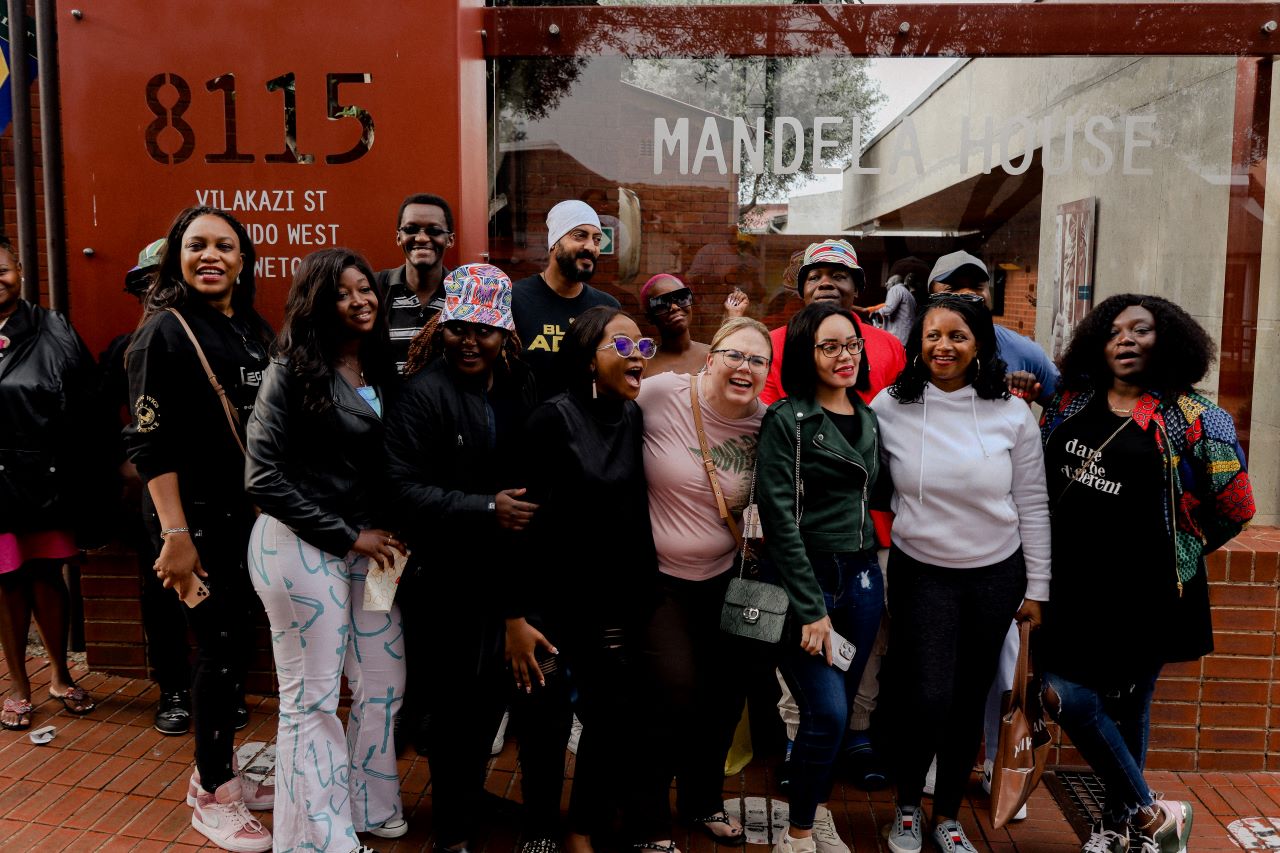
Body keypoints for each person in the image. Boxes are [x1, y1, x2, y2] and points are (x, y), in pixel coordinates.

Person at [1039, 294, 1254, 853]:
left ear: (1170, 340)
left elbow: (1236, 505)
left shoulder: (1197, 418)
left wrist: (1179, 551)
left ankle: (1115, 829)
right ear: (1096, 342)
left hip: (1146, 595)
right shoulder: (1068, 400)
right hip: (1069, 587)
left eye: (1142, 329)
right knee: (1065, 694)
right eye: (1113, 331)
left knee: (1127, 703)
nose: (1126, 340)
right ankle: (1150, 814)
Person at [870, 294, 1049, 853]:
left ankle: (946, 816)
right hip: (921, 572)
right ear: (916, 343)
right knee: (926, 696)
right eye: (932, 335)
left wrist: (1037, 588)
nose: (943, 346)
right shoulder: (889, 407)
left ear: (979, 346)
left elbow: (1033, 504)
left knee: (970, 699)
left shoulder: (1010, 413)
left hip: (995, 574)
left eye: (958, 336)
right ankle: (905, 807)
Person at [244, 247, 407, 852]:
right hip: (300, 545)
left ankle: (369, 802)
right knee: (311, 696)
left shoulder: (380, 365)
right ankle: (318, 838)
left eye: (366, 288)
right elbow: (261, 478)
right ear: (318, 302)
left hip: (370, 550)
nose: (360, 300)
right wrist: (347, 535)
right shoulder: (291, 370)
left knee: (384, 681)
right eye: (343, 292)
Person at [124, 205, 274, 853]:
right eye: (196, 245)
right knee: (216, 652)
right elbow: (148, 444)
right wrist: (174, 534)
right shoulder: (165, 332)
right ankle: (211, 790)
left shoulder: (251, 329)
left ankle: (226, 769)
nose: (210, 255)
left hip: (250, 524)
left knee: (238, 644)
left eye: (224, 245)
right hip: (196, 527)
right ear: (177, 258)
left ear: (243, 259)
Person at [384, 264, 538, 851]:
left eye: (485, 330)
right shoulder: (421, 394)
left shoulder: (516, 383)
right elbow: (398, 488)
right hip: (444, 578)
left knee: (486, 705)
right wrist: (481, 508)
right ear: (441, 328)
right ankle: (452, 831)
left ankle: (467, 798)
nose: (470, 341)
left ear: (505, 335)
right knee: (453, 712)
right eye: (459, 328)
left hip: (505, 568)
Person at [505, 305, 657, 853]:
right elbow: (517, 525)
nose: (636, 354)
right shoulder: (552, 419)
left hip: (610, 604)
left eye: (642, 346)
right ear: (588, 359)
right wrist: (514, 616)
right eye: (621, 345)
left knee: (610, 720)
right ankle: (540, 828)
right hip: (546, 605)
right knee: (543, 729)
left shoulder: (634, 418)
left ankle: (582, 826)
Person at [629, 317, 773, 851]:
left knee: (722, 699)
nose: (746, 369)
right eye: (736, 355)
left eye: (759, 361)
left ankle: (702, 802)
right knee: (674, 692)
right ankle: (647, 820)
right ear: (710, 358)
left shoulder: (767, 425)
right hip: (660, 581)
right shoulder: (663, 393)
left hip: (729, 581)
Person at [925, 249, 1060, 813]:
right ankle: (933, 764)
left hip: (1000, 547)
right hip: (928, 550)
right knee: (935, 669)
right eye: (952, 287)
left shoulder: (1023, 352)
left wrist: (1032, 405)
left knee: (1002, 666)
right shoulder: (918, 347)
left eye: (975, 287)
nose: (966, 296)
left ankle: (1003, 768)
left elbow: (1060, 415)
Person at [757, 303, 886, 853]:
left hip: (861, 581)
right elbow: (778, 517)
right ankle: (800, 834)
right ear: (807, 354)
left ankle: (810, 816)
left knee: (838, 710)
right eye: (829, 346)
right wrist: (811, 607)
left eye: (851, 344)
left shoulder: (871, 416)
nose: (844, 356)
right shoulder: (788, 419)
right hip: (803, 582)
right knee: (828, 713)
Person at [0, 233, 99, 731]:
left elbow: (84, 396)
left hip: (42, 478)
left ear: (18, 269)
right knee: (6, 582)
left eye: (1, 269)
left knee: (46, 576)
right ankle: (18, 687)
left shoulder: (51, 326)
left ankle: (60, 674)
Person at [98, 238, 195, 736]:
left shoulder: (224, 338)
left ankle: (224, 687)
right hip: (156, 503)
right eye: (146, 286)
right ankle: (174, 689)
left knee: (223, 594)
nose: (155, 294)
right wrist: (124, 465)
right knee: (162, 596)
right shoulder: (126, 347)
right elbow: (91, 416)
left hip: (215, 492)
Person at [760, 240, 905, 407]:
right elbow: (765, 416)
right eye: (814, 277)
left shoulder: (889, 346)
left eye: (838, 276)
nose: (825, 283)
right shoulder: (772, 345)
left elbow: (898, 417)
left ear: (856, 289)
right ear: (802, 291)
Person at [513, 200, 621, 399]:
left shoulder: (607, 307)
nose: (591, 247)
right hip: (527, 425)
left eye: (597, 240)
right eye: (580, 236)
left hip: (585, 425)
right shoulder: (515, 299)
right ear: (554, 242)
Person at [927, 250, 1058, 405]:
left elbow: (1061, 403)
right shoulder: (915, 352)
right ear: (931, 297)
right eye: (953, 288)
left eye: (977, 286)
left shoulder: (1021, 349)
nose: (968, 293)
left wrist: (1020, 412)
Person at [376, 192, 455, 373]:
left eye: (434, 231)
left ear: (450, 239)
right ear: (398, 237)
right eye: (411, 229)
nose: (421, 238)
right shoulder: (375, 290)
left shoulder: (462, 293)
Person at [641, 273, 750, 377]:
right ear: (649, 318)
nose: (674, 307)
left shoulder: (713, 356)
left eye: (681, 297)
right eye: (662, 303)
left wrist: (733, 315)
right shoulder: (644, 366)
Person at [858, 274, 916, 347]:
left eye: (887, 283)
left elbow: (889, 309)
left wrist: (876, 312)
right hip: (906, 337)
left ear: (893, 283)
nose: (885, 285)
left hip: (897, 337)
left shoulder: (895, 289)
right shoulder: (909, 294)